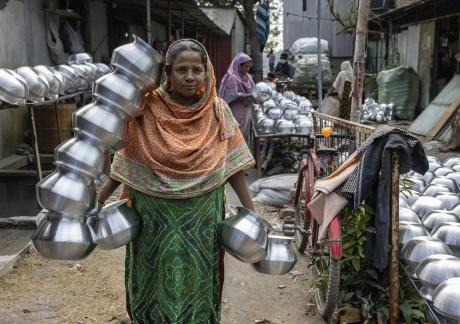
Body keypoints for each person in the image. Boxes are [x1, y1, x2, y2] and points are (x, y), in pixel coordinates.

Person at [97, 39, 255, 323]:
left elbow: (235, 165)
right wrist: (98, 198)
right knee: (152, 275)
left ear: (207, 73)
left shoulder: (218, 111)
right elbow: (126, 158)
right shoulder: (145, 110)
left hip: (203, 218)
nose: (191, 77)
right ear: (167, 73)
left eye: (198, 69)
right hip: (153, 218)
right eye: (182, 69)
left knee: (200, 277)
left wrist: (252, 214)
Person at [218, 53, 255, 143]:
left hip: (246, 109)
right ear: (239, 65)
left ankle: (243, 152)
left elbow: (254, 89)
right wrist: (250, 95)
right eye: (245, 67)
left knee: (244, 131)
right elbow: (232, 95)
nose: (247, 69)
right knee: (236, 131)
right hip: (235, 109)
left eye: (249, 67)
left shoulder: (248, 77)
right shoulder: (232, 77)